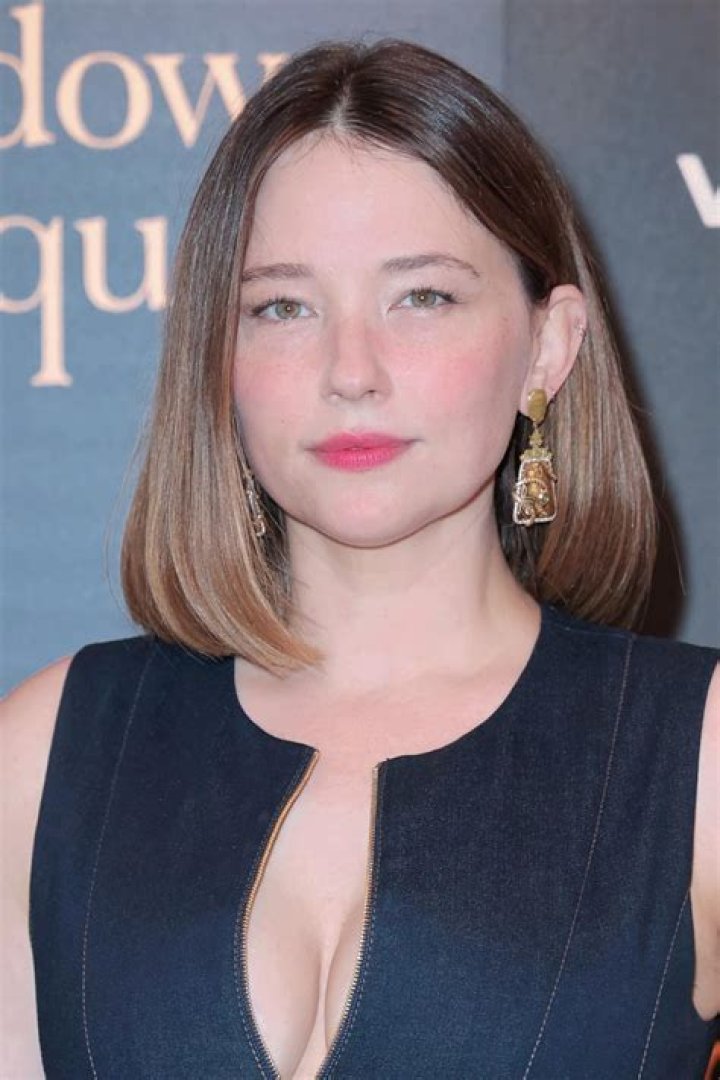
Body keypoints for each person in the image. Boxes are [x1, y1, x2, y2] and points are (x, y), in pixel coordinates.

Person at [1, 36, 718, 1080]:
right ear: (218, 355)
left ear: (548, 344)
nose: (351, 371)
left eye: (421, 297)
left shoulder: (697, 757)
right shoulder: (45, 754)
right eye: (282, 307)